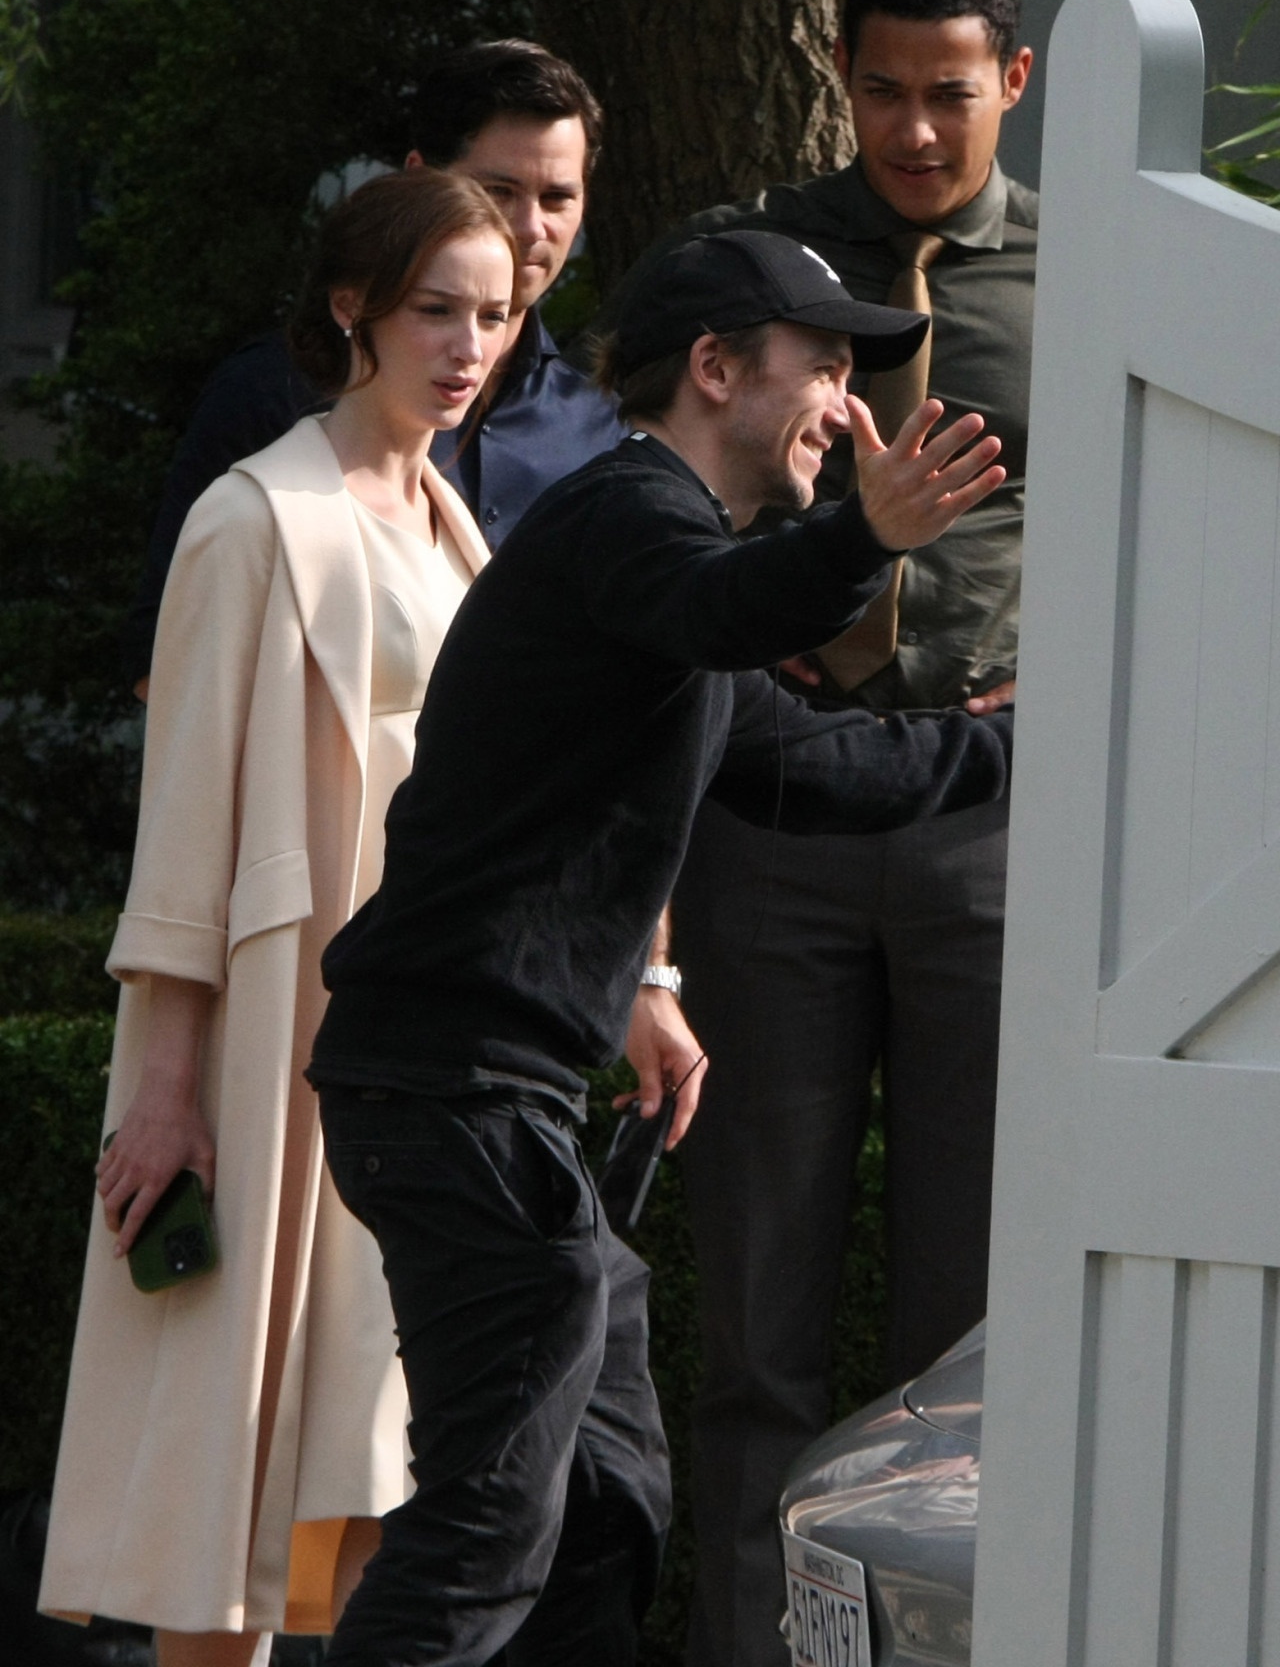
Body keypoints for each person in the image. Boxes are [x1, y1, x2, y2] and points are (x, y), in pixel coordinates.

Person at [305, 227, 1015, 1665]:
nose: (844, 403)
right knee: (486, 1524)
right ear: (713, 369)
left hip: (496, 1103)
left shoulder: (667, 591)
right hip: (450, 1092)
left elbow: (830, 768)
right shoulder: (627, 522)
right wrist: (865, 537)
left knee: (602, 1503)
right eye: (822, 364)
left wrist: (1043, 744)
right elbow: (728, 606)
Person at [617, 0, 1037, 1667]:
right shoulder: (762, 266)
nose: (915, 131)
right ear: (840, 81)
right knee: (758, 1320)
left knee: (969, 1336)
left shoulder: (1094, 272)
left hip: (986, 819)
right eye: (881, 91)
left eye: (951, 94)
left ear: (1014, 85)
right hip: (777, 812)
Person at [40, 169, 515, 1666]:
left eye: (494, 314)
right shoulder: (250, 520)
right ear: (351, 307)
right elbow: (183, 830)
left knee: (364, 1451)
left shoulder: (454, 526)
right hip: (276, 1046)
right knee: (233, 1478)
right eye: (436, 309)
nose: (468, 345)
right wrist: (167, 1090)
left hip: (414, 1039)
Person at [121, 39, 625, 697]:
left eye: (557, 198)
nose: (530, 228)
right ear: (417, 180)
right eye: (499, 190)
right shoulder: (276, 394)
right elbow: (165, 666)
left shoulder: (597, 423)